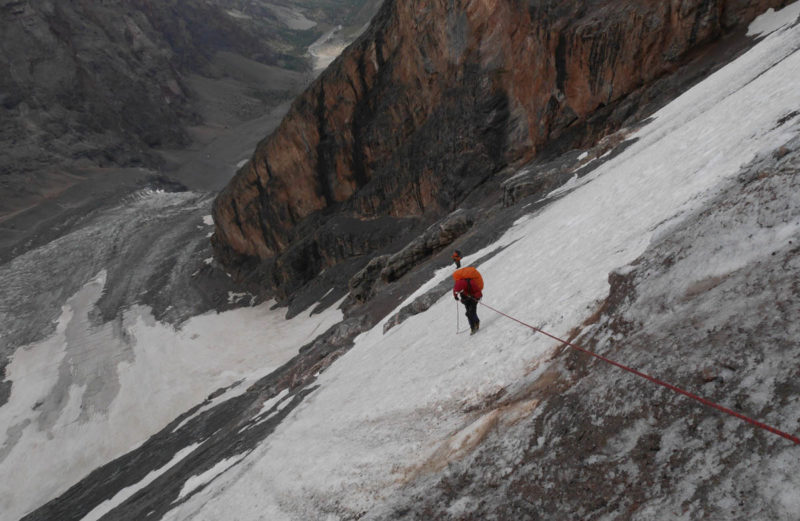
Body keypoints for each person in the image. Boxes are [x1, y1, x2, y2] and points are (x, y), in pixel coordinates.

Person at [453, 267, 482, 334]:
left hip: (473, 299)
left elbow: (479, 292)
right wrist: (455, 296)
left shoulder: (471, 282)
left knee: (469, 313)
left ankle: (473, 327)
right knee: (471, 312)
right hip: (465, 300)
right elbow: (454, 290)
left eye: (460, 291)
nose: (459, 292)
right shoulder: (458, 284)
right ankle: (476, 322)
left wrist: (474, 296)